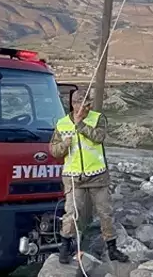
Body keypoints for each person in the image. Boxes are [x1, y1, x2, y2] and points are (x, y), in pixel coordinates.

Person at [51, 87, 127, 263]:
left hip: (97, 175)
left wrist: (80, 125)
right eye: (85, 104)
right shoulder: (61, 124)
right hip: (73, 176)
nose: (88, 107)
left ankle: (112, 248)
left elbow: (99, 137)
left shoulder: (98, 119)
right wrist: (63, 146)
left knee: (105, 212)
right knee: (71, 213)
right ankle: (65, 247)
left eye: (89, 103)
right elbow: (54, 150)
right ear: (74, 104)